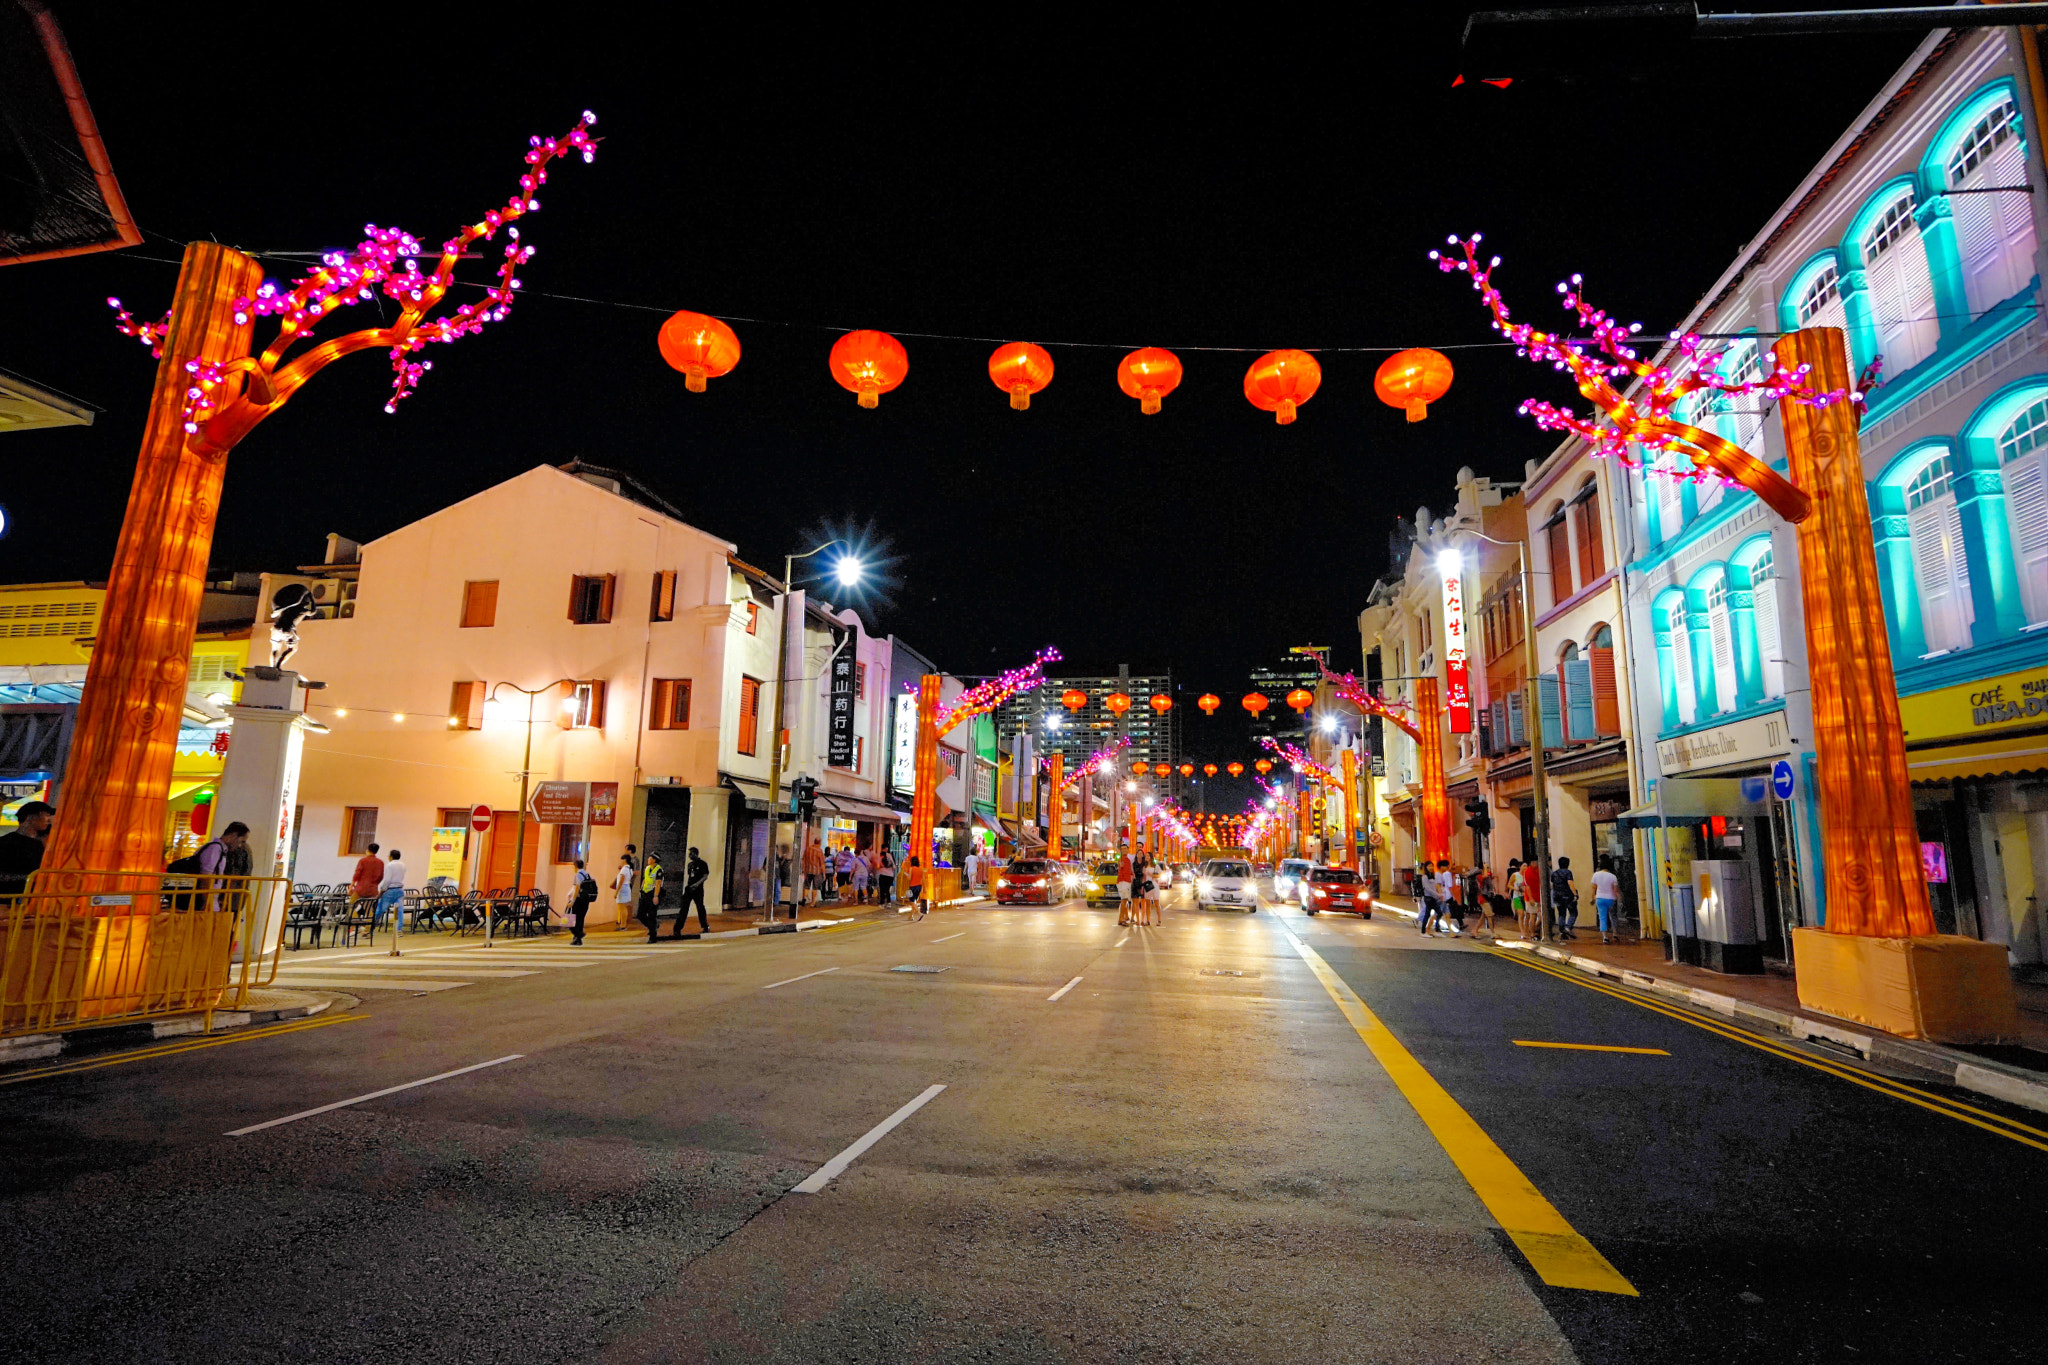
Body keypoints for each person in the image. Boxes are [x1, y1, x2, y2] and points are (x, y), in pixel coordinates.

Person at [0, 800, 55, 897]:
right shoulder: (6, 843)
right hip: (9, 900)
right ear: (32, 818)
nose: (49, 820)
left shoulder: (40, 844)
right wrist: (30, 878)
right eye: (45, 815)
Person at [672, 845, 711, 938]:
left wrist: (696, 884)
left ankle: (705, 926)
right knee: (684, 908)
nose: (689, 855)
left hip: (698, 889)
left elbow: (705, 876)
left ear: (695, 853)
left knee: (700, 908)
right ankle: (677, 928)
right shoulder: (690, 865)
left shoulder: (702, 864)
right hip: (689, 888)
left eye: (691, 853)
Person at [1591, 855, 1623, 944]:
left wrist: (1592, 898)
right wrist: (1619, 897)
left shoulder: (1596, 875)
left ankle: (1605, 937)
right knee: (1613, 916)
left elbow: (1594, 888)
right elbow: (1615, 890)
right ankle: (1615, 934)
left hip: (1600, 899)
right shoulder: (1612, 876)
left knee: (1602, 917)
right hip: (1611, 899)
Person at [377, 846, 408, 934]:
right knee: (399, 910)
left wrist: (382, 890)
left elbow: (387, 880)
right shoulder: (403, 865)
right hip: (400, 890)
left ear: (391, 856)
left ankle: (372, 924)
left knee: (380, 908)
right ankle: (399, 929)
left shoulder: (389, 865)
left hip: (390, 890)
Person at [568, 860, 599, 944]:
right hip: (586, 899)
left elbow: (577, 888)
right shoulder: (587, 874)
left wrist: (572, 901)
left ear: (575, 866)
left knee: (570, 918)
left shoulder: (577, 875)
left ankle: (579, 934)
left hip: (579, 899)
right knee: (581, 918)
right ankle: (577, 939)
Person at [637, 853, 666, 942]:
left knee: (652, 915)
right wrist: (641, 890)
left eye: (650, 858)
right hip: (645, 893)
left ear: (654, 860)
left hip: (653, 894)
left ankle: (653, 936)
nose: (648, 859)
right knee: (640, 914)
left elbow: (658, 883)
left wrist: (656, 896)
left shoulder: (659, 870)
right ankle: (652, 926)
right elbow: (645, 879)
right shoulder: (647, 868)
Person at [349, 840, 385, 910]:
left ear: (367, 850)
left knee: (352, 905)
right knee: (369, 908)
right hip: (373, 889)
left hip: (361, 888)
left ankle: (353, 918)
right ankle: (368, 918)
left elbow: (357, 874)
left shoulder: (363, 861)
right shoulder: (380, 862)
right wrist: (375, 884)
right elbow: (381, 876)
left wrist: (352, 885)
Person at [1551, 856, 1579, 940]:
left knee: (1561, 914)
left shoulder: (1554, 873)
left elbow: (1552, 885)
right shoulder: (1568, 872)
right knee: (1573, 912)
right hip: (1567, 895)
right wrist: (1575, 894)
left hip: (1557, 896)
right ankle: (1567, 928)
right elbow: (1570, 883)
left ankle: (1562, 931)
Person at [612, 852, 637, 928]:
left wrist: (616, 892)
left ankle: (623, 925)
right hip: (627, 887)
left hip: (623, 889)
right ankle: (623, 925)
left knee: (621, 907)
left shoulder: (624, 869)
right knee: (624, 907)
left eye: (622, 860)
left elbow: (620, 882)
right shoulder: (629, 869)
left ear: (625, 860)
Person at [1520, 858, 1543, 938]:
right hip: (1530, 897)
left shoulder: (1540, 870)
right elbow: (1527, 886)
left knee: (1541, 916)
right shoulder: (1528, 872)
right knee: (1532, 915)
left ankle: (1536, 930)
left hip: (1540, 896)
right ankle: (1532, 933)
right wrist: (1531, 898)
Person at [802, 838, 826, 905]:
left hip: (808, 870)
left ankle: (804, 898)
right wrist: (823, 874)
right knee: (815, 887)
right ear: (820, 843)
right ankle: (813, 902)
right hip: (816, 871)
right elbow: (822, 863)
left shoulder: (807, 849)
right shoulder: (819, 851)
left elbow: (803, 859)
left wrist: (803, 869)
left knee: (806, 885)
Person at [904, 855, 927, 920]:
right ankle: (911, 916)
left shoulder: (911, 869)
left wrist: (906, 874)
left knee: (912, 901)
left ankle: (919, 913)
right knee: (914, 901)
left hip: (913, 886)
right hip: (919, 886)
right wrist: (925, 888)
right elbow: (923, 879)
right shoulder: (921, 869)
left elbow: (909, 878)